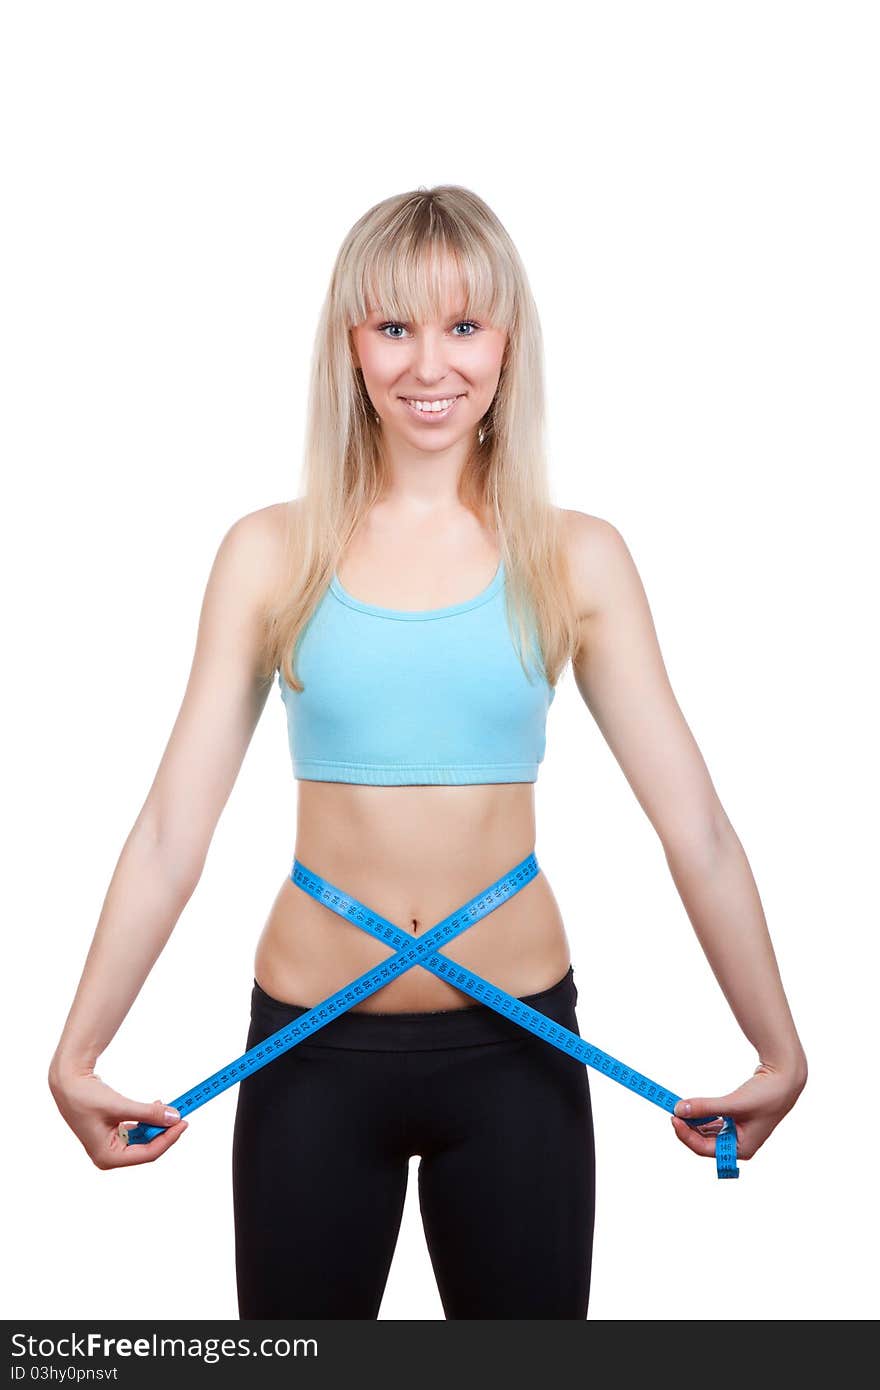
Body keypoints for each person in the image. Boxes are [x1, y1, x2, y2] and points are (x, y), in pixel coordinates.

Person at [48, 184, 808, 1320]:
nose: (427, 364)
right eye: (393, 326)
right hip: (308, 1054)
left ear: (508, 343)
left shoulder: (576, 557)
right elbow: (170, 833)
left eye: (463, 325)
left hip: (517, 1050)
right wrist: (80, 1049)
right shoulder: (269, 554)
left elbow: (693, 828)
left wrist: (775, 1047)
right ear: (349, 346)